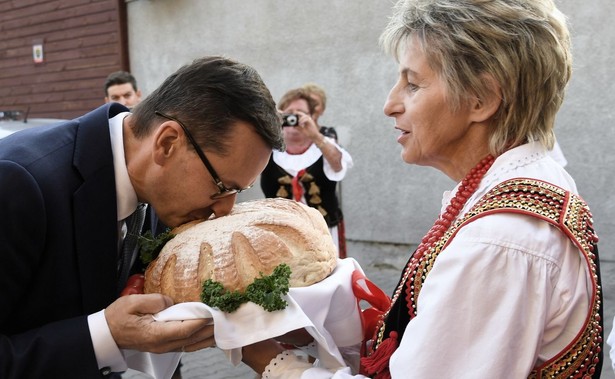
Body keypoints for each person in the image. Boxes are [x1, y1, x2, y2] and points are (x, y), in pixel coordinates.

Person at [241, 0, 604, 377]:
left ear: (482, 99)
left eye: (412, 84)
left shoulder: (498, 239)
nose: (389, 105)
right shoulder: (520, 190)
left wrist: (270, 358)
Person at [0, 56, 284, 378]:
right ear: (167, 143)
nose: (225, 209)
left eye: (240, 191)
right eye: (222, 187)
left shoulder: (157, 191)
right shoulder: (17, 182)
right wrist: (104, 335)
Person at [260, 88, 353, 257]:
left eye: (300, 113)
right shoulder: (266, 147)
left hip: (324, 232)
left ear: (312, 117)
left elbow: (338, 165)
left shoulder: (325, 143)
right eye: (288, 114)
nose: (293, 119)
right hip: (281, 234)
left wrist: (316, 136)